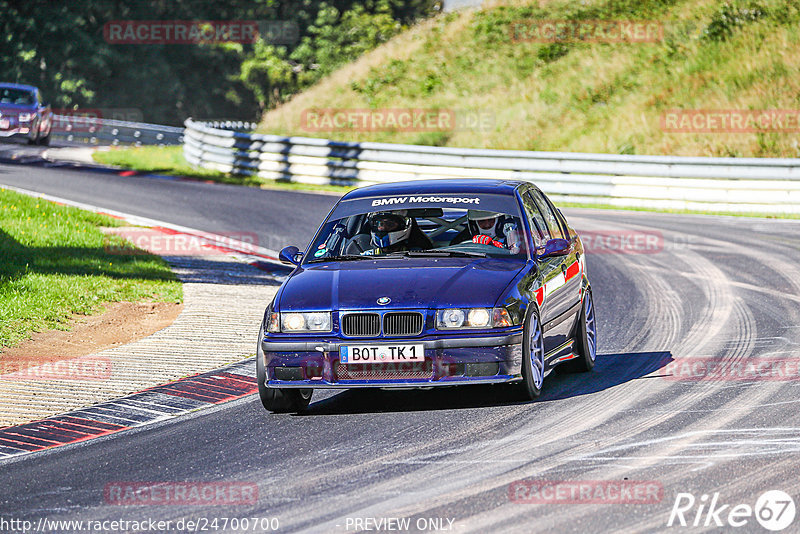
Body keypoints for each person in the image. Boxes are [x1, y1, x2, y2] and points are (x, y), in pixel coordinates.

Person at [360, 211, 432, 255]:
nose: (383, 228)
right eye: (381, 224)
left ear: (403, 226)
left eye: (389, 225)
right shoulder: (366, 256)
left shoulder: (418, 254)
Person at [451, 210, 522, 253]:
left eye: (491, 220)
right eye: (481, 221)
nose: (487, 224)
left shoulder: (516, 237)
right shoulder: (461, 239)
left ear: (499, 222)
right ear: (474, 225)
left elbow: (518, 255)